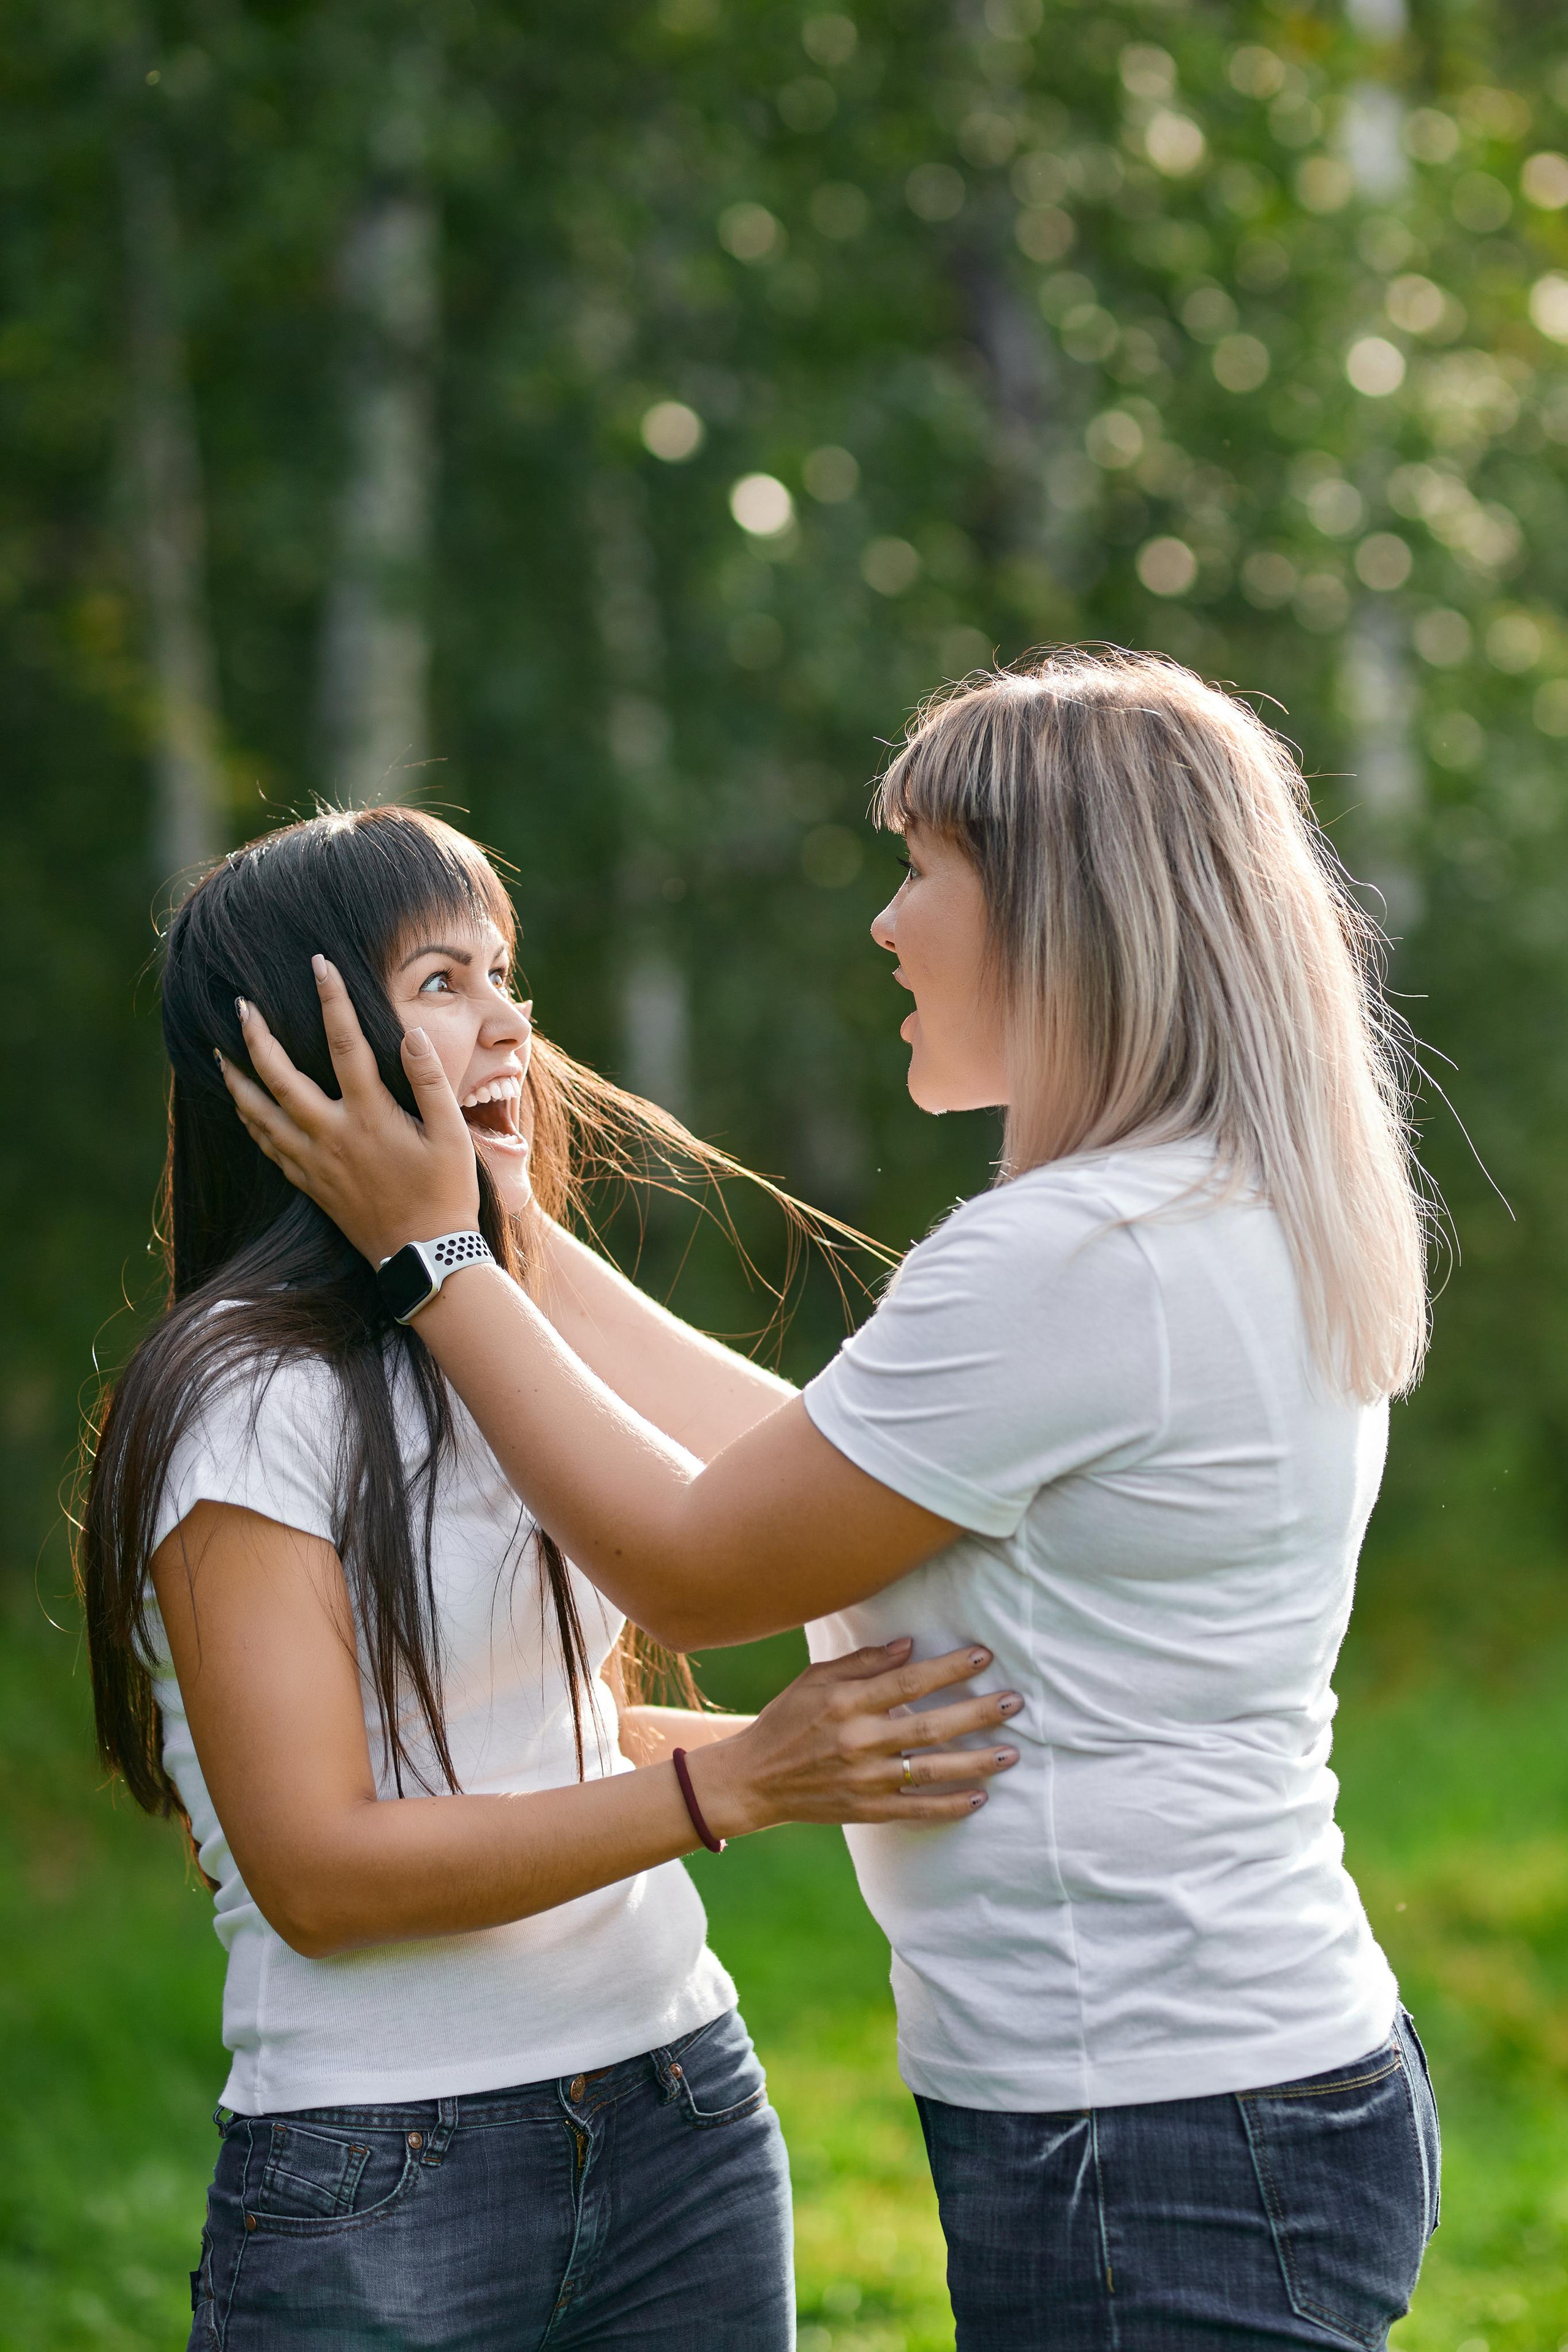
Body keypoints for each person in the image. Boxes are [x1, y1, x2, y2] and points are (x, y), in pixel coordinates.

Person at [226, 650, 1444, 2351]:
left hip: (1154, 2128)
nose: (884, 923)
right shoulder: (1202, 1209)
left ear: (1062, 915)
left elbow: (699, 1571)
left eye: (922, 869)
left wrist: (435, 1264)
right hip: (1231, 2084)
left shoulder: (1074, 1255)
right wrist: (508, 1237)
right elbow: (815, 1466)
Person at [78, 805, 1017, 2352]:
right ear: (301, 1054)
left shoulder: (482, 1341)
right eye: (442, 982)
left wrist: (811, 1754)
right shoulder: (248, 1398)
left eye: (504, 974)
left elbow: (777, 1512)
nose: (513, 1023)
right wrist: (739, 1786)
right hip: (386, 2169)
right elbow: (318, 1871)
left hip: (679, 2106)